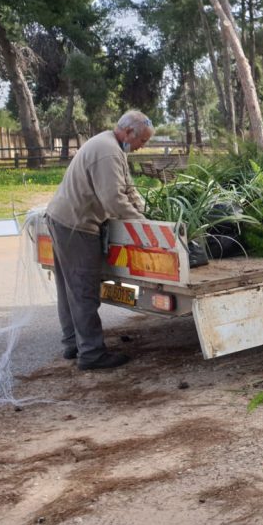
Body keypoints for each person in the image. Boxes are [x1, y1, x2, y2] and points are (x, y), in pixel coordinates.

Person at [45, 111, 154, 370]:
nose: (142, 147)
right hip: (77, 226)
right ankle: (92, 354)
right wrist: (143, 227)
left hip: (63, 220)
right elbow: (113, 200)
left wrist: (144, 210)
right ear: (128, 133)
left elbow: (127, 187)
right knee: (83, 290)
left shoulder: (111, 146)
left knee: (69, 288)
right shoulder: (108, 152)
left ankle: (73, 343)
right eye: (142, 141)